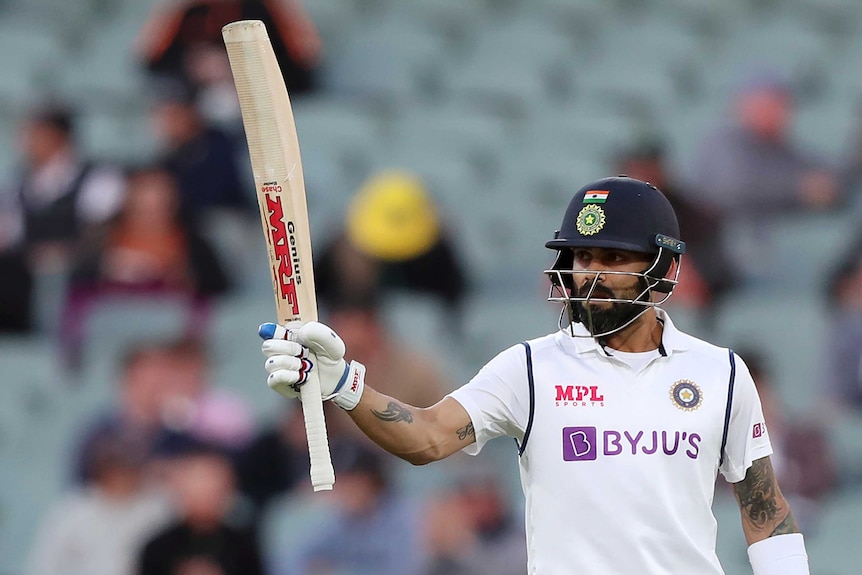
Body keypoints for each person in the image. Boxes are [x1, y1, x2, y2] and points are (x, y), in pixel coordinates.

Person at [259, 176, 810, 574]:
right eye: (580, 257)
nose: (589, 275)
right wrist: (343, 384)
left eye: (612, 258)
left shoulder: (721, 373)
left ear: (665, 269)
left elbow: (765, 509)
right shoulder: (529, 369)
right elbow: (426, 437)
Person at [27, 432, 173, 575]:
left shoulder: (157, 510)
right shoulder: (72, 511)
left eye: (126, 470)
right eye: (114, 471)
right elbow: (44, 564)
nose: (120, 479)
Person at [137, 439, 265, 575]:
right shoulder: (157, 549)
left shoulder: (245, 548)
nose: (204, 490)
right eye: (197, 480)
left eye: (211, 480)